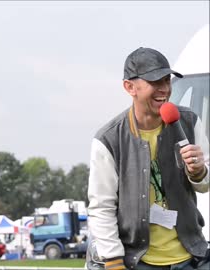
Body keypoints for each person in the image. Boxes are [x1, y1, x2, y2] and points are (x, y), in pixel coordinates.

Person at [86, 47, 209, 270]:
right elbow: (101, 207)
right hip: (136, 261)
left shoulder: (190, 122)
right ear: (129, 87)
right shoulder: (108, 139)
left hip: (191, 258)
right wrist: (113, 261)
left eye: (167, 81)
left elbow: (205, 185)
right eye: (155, 82)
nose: (164, 89)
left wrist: (200, 172)